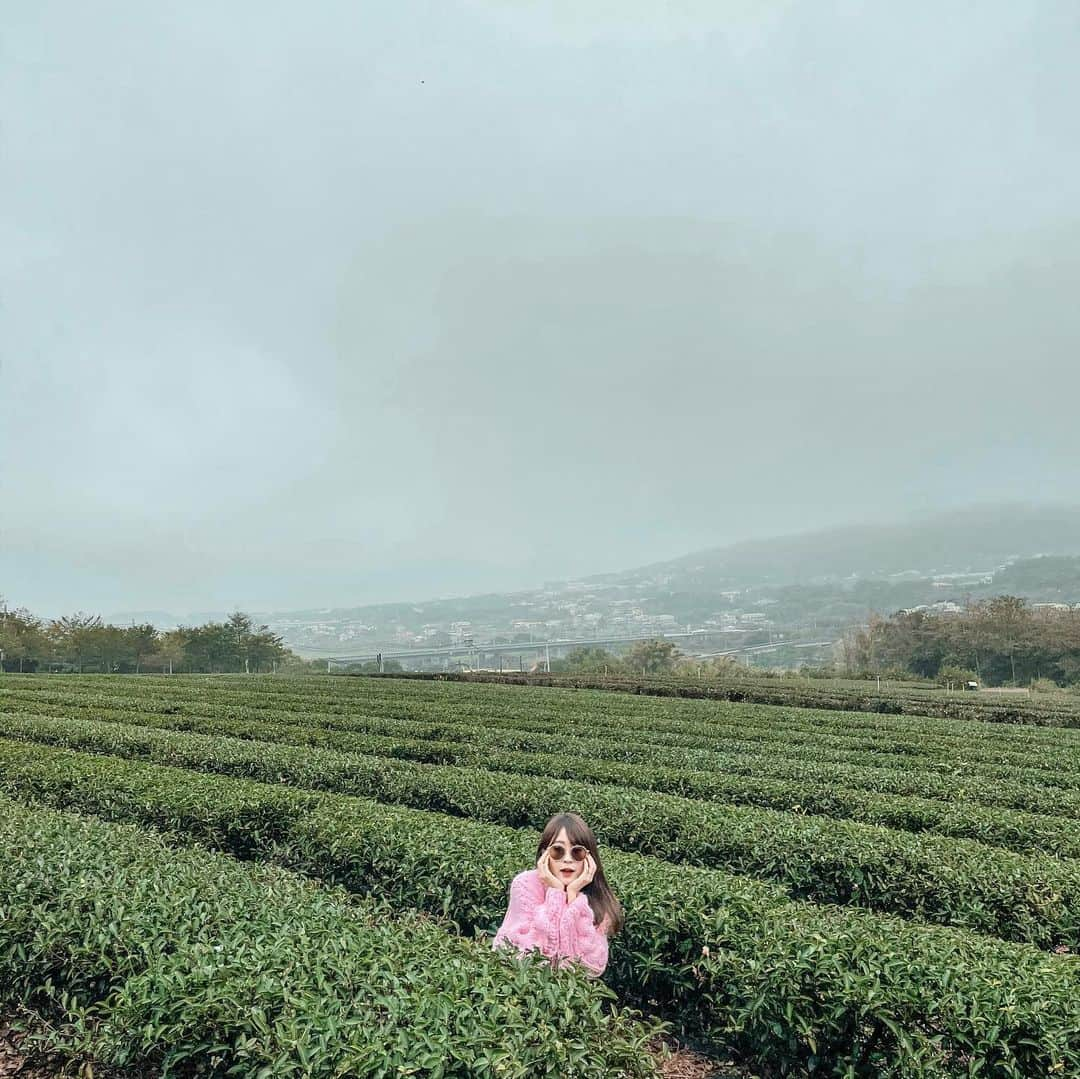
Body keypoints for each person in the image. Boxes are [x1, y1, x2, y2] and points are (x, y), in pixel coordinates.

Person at [491, 811, 623, 978]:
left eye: (577, 852)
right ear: (544, 855)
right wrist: (556, 893)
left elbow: (589, 969)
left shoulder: (599, 900)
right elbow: (528, 959)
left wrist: (573, 897)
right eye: (558, 851)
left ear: (589, 858)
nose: (567, 859)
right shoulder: (525, 885)